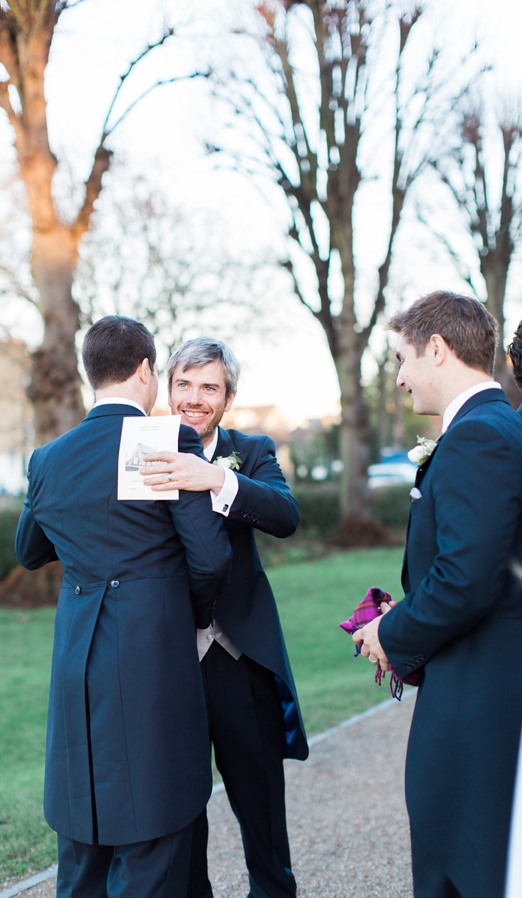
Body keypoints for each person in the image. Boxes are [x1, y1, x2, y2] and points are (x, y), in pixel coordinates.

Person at [14, 316, 232, 898]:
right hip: (151, 655)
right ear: (145, 371)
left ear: (91, 375)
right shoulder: (165, 441)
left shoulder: (48, 459)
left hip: (78, 657)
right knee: (155, 821)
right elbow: (210, 561)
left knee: (83, 833)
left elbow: (28, 551)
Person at [353, 291, 522, 898]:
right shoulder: (494, 427)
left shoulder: (482, 436)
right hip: (476, 676)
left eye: (401, 358)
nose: (398, 377)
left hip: (480, 696)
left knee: (463, 863)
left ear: (437, 349)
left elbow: (467, 580)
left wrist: (387, 634)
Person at [140, 337, 306, 898]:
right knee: (182, 824)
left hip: (241, 660)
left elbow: (285, 515)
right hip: (170, 663)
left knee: (263, 819)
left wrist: (215, 478)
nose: (194, 398)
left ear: (228, 397)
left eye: (209, 387)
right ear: (167, 389)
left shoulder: (251, 449)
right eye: (184, 384)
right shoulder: (142, 450)